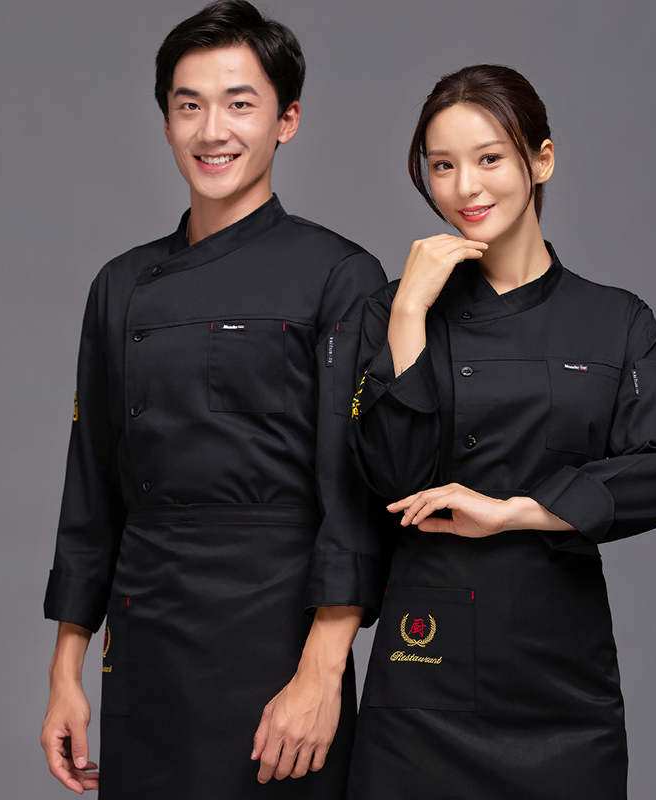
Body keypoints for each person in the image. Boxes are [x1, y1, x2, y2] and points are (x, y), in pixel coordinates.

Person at [38, 2, 389, 797]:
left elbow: (355, 500)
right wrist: (66, 670)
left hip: (278, 645)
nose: (211, 131)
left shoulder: (341, 276)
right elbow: (90, 491)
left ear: (286, 120)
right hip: (147, 643)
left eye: (239, 104)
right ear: (166, 121)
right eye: (189, 105)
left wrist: (321, 675)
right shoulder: (120, 285)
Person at [346, 64, 656, 799]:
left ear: (542, 160)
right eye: (442, 165)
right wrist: (408, 313)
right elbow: (392, 479)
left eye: (489, 158)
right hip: (425, 666)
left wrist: (513, 512)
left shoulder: (616, 319)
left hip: (558, 675)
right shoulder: (393, 312)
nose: (465, 187)